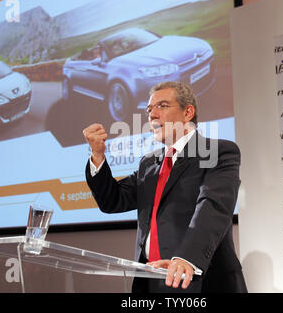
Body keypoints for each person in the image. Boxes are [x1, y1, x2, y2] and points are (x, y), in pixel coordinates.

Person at [83, 81, 247, 293]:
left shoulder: (217, 152)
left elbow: (212, 207)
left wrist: (186, 258)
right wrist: (97, 156)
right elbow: (112, 201)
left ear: (188, 112)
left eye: (162, 106)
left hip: (198, 278)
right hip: (151, 281)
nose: (152, 115)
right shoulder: (149, 163)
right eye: (149, 109)